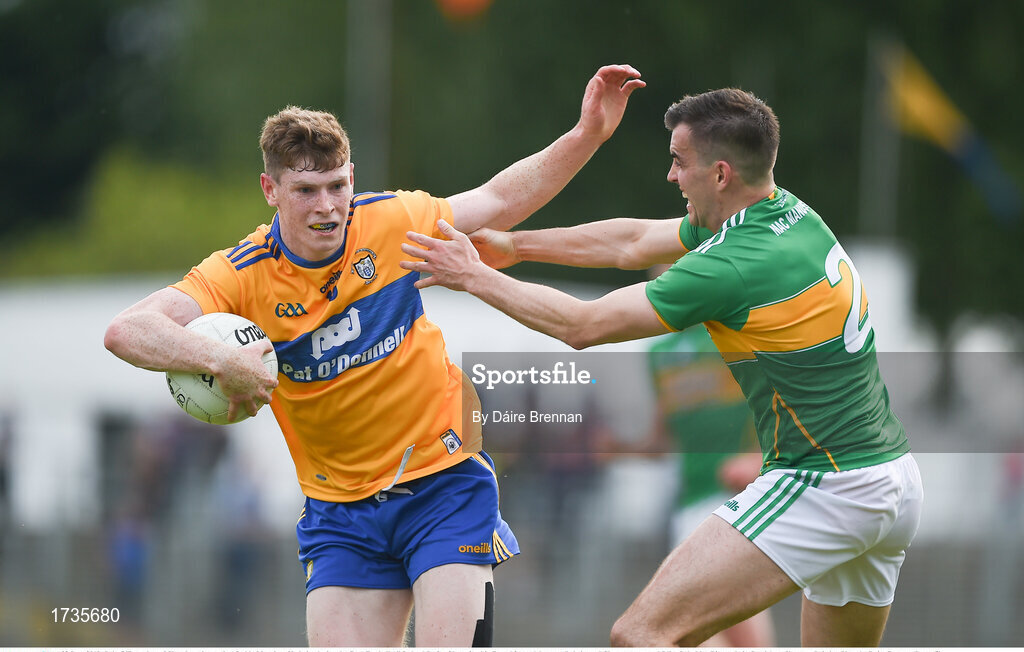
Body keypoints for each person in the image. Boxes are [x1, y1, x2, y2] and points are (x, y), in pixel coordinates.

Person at [103, 64, 645, 647]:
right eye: (306, 190)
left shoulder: (390, 222)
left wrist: (587, 135)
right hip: (339, 515)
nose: (327, 206)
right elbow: (126, 331)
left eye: (338, 185)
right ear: (270, 191)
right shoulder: (238, 276)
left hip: (443, 483)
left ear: (353, 179)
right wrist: (219, 359)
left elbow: (497, 200)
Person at [401, 87, 925, 647]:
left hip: (825, 482)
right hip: (891, 478)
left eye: (679, 161)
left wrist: (472, 275)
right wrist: (513, 244)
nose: (671, 176)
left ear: (720, 174)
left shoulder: (732, 264)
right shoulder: (786, 214)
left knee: (641, 635)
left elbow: (583, 325)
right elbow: (631, 241)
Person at [632, 317, 775, 647]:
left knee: (727, 628)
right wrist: (616, 447)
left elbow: (782, 400)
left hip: (734, 499)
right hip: (688, 505)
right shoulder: (659, 350)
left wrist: (760, 461)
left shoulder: (735, 331)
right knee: (697, 636)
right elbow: (660, 440)